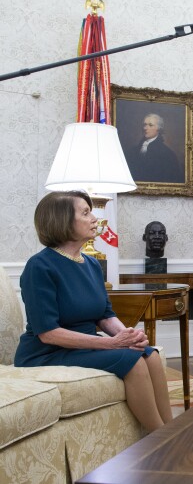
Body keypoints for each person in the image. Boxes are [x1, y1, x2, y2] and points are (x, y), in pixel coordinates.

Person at [15, 191, 173, 433]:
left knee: (148, 354)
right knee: (133, 362)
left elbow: (105, 314)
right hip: (47, 353)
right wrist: (112, 345)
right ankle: (160, 439)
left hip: (85, 346)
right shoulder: (39, 266)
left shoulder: (90, 264)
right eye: (85, 213)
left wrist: (128, 336)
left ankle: (172, 430)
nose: (94, 219)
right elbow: (48, 333)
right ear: (62, 221)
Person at [126, 113, 183, 184]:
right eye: (144, 124)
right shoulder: (132, 151)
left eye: (150, 125)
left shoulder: (167, 154)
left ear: (159, 129)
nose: (145, 128)